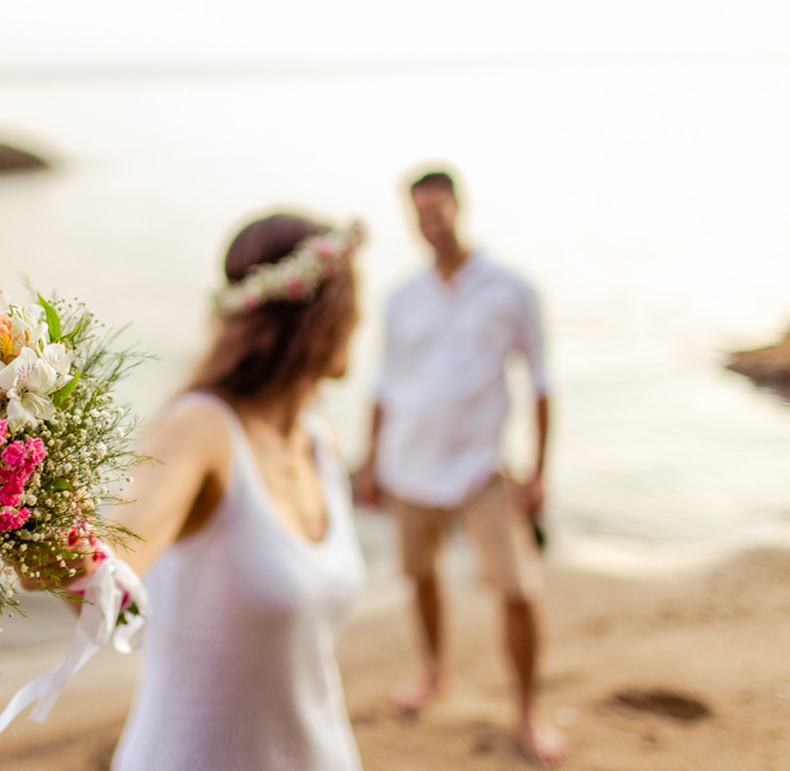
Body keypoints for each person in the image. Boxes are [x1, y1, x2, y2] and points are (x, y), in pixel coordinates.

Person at [32, 211, 369, 770]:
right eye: (354, 301)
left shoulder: (320, 445)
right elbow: (114, 576)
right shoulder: (201, 430)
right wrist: (43, 537)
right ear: (324, 316)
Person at [353, 170, 568, 767]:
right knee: (420, 576)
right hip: (409, 467)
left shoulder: (510, 288)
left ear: (457, 207)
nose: (430, 222)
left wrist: (539, 472)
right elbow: (383, 385)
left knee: (518, 590)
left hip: (481, 470)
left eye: (437, 209)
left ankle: (528, 711)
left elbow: (542, 382)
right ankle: (433, 673)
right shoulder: (401, 297)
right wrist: (369, 462)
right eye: (418, 212)